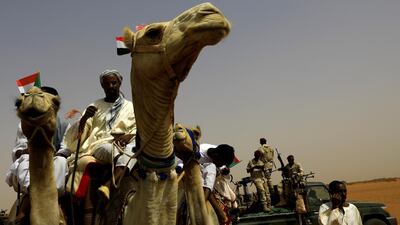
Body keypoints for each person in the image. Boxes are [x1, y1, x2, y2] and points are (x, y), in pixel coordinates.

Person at [64, 69, 136, 224]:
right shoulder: (94, 105)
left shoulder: (131, 107)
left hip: (128, 146)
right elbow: (81, 132)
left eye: (113, 83)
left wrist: (130, 136)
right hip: (102, 146)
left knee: (136, 151)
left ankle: (110, 184)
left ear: (119, 83)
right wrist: (84, 119)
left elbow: (139, 128)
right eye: (107, 84)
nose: (110, 86)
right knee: (113, 150)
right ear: (102, 86)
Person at [5, 86, 70, 218]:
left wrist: (55, 153)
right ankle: (31, 193)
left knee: (61, 162)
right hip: (32, 160)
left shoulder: (64, 126)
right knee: (24, 161)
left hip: (52, 161)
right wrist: (28, 150)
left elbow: (65, 146)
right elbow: (19, 148)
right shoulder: (25, 123)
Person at [199, 143, 236, 225]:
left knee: (231, 196)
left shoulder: (219, 152)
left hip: (214, 181)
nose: (222, 165)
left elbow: (221, 168)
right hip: (197, 181)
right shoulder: (198, 153)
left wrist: (225, 170)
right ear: (215, 156)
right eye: (221, 163)